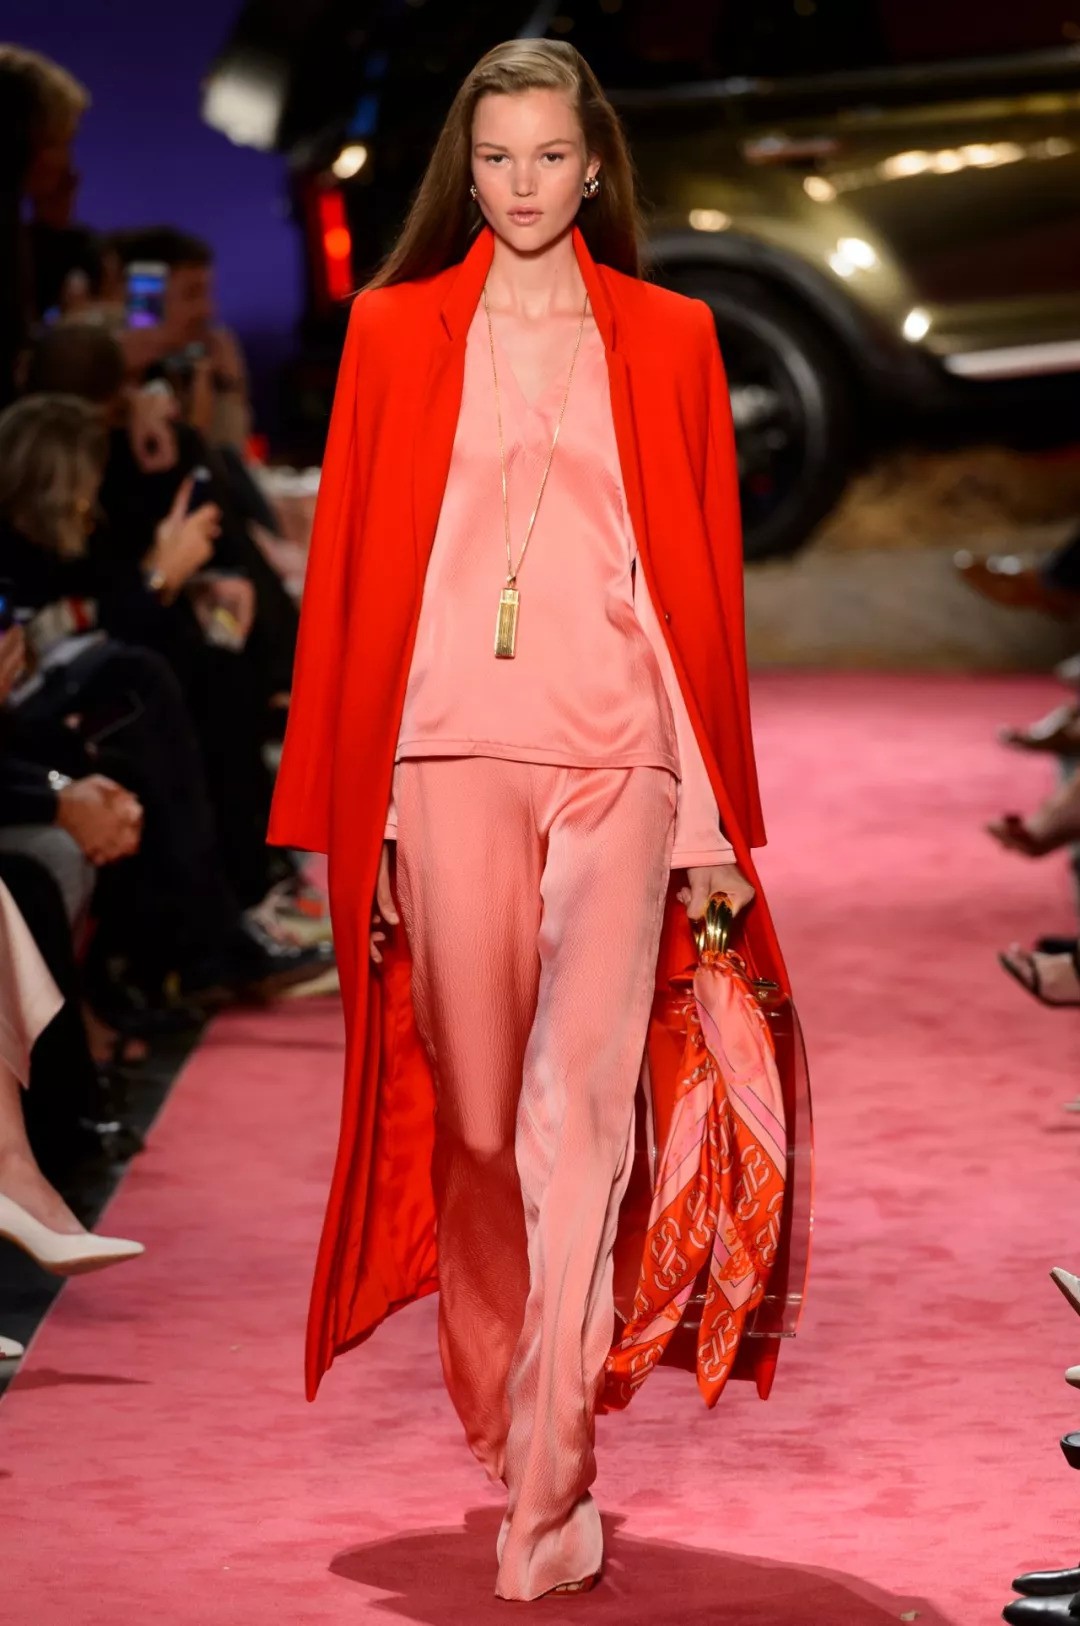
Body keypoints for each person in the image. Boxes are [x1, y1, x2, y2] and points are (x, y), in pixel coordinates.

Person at [268, 39, 797, 1603]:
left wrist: (710, 814)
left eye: (550, 156)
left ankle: (554, 1471)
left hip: (620, 752)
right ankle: (512, 1394)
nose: (522, 185)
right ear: (466, 164)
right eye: (497, 157)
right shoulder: (392, 331)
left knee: (584, 1111)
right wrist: (355, 810)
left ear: (595, 164)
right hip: (442, 753)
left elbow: (697, 581)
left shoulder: (672, 335)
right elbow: (351, 575)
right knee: (483, 1121)